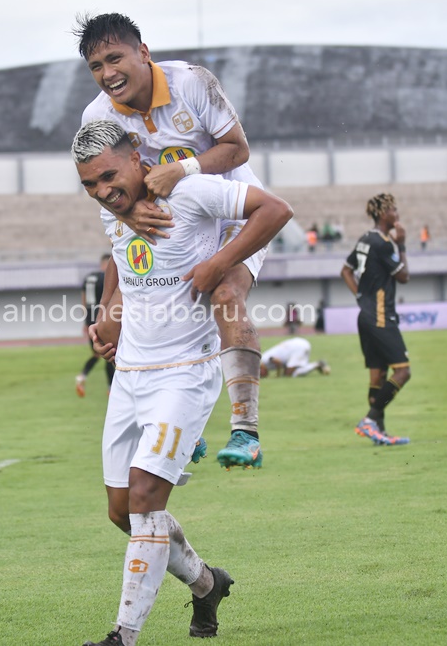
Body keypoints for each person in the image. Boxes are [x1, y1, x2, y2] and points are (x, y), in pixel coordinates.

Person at [72, 120, 292, 646]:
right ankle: (207, 584)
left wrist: (218, 263)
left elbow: (275, 210)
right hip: (129, 376)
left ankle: (124, 635)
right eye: (89, 184)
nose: (102, 191)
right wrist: (107, 316)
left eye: (108, 177)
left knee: (146, 498)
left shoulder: (189, 191)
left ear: (136, 157)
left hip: (185, 373)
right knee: (122, 513)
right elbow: (121, 262)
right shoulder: (112, 210)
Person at [74, 12, 272, 470]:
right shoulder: (96, 115)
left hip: (232, 210)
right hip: (168, 217)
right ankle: (184, 422)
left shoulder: (193, 83)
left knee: (224, 292)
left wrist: (182, 169)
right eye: (96, 66)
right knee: (139, 311)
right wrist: (126, 211)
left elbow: (238, 149)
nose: (107, 74)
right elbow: (100, 180)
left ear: (143, 53)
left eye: (115, 58)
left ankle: (245, 430)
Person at [340, 192, 412, 446]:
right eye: (393, 209)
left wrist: (361, 297)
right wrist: (401, 245)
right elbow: (403, 276)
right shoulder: (383, 243)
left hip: (367, 315)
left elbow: (345, 271)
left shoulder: (365, 239)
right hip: (381, 316)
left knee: (378, 375)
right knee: (403, 371)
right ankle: (370, 420)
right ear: (383, 214)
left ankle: (379, 432)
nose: (397, 214)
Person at [76, 254, 116, 397]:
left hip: (89, 320)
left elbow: (84, 300)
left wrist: (86, 321)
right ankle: (111, 388)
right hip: (101, 318)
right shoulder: (106, 277)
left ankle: (82, 376)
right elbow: (108, 298)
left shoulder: (88, 278)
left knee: (96, 353)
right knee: (109, 351)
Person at [259, 338, 330, 378]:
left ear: (260, 368)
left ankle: (316, 365)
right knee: (293, 373)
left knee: (288, 374)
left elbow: (277, 361)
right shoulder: (261, 360)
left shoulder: (263, 359)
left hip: (297, 347)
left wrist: (278, 375)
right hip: (298, 344)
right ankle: (316, 365)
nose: (263, 376)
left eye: (260, 374)